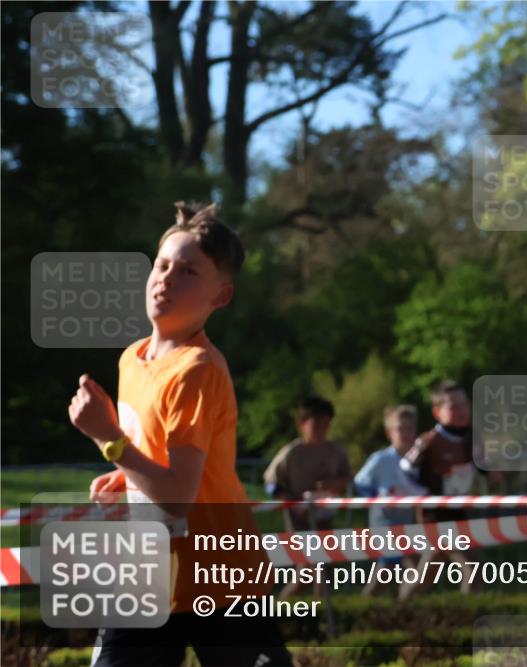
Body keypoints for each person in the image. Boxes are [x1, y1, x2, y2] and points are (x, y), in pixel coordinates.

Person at [71, 201, 292, 666]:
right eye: (163, 264)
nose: (167, 278)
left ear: (221, 296)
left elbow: (176, 499)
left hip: (221, 578)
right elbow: (158, 462)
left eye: (188, 271)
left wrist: (107, 439)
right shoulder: (132, 357)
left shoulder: (197, 370)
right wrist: (126, 479)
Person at [398, 381, 502, 600]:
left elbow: (487, 470)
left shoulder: (472, 440)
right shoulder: (429, 441)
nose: (462, 411)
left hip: (459, 514)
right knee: (473, 567)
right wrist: (421, 495)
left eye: (465, 405)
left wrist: (493, 474)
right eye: (454, 407)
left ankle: (400, 606)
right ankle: (464, 622)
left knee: (425, 577)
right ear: (437, 412)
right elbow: (404, 471)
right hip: (435, 516)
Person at [263, 395, 352, 600]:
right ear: (302, 424)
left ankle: (319, 610)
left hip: (324, 517)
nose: (321, 430)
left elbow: (347, 478)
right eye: (316, 424)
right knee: (307, 569)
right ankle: (280, 609)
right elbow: (271, 482)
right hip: (299, 519)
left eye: (325, 425)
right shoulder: (292, 453)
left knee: (323, 568)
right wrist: (294, 504)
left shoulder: (335, 451)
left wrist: (332, 485)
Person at [352, 405, 427, 597]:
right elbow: (360, 483)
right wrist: (379, 498)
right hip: (385, 521)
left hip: (409, 519)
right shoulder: (380, 459)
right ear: (389, 433)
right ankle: (367, 608)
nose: (405, 433)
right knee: (396, 568)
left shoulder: (419, 459)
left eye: (409, 428)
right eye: (400, 429)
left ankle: (403, 606)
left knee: (409, 569)